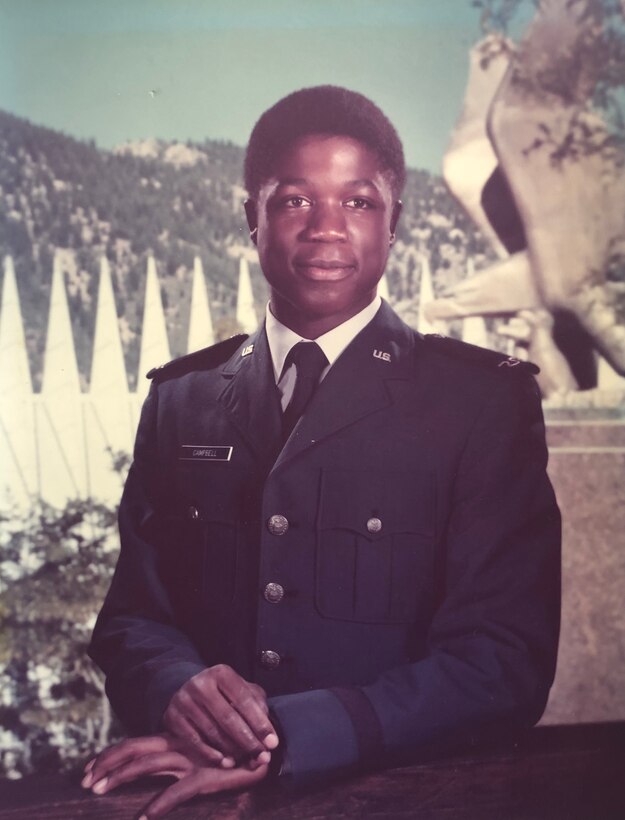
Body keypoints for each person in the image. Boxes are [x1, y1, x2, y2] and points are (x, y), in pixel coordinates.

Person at [83, 86, 561, 818]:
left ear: (395, 222)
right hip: (198, 795)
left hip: (401, 798)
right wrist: (177, 687)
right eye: (296, 201)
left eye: (359, 202)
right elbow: (134, 618)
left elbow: (502, 663)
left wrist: (290, 733)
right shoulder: (181, 399)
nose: (326, 230)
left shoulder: (479, 404)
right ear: (253, 218)